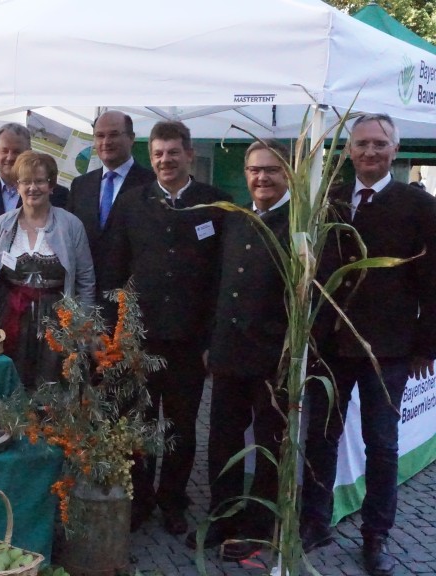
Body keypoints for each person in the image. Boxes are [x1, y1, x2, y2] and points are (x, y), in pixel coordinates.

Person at [301, 113, 436, 576]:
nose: (370, 152)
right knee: (321, 437)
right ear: (350, 150)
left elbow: (433, 282)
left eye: (379, 144)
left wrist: (426, 347)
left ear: (395, 151)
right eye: (362, 144)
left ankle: (376, 534)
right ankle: (314, 521)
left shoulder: (419, 206)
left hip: (390, 349)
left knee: (380, 443)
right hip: (331, 345)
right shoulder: (331, 200)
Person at [101, 120, 230, 534]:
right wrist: (114, 336)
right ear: (149, 157)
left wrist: (212, 339)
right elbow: (114, 272)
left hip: (190, 342)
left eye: (173, 152)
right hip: (140, 340)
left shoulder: (215, 204)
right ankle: (138, 499)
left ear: (189, 154)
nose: (165, 160)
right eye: (157, 154)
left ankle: (174, 500)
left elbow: (221, 280)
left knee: (180, 426)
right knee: (139, 423)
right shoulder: (133, 203)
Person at [186, 140, 291, 560]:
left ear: (287, 174)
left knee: (268, 446)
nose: (261, 177)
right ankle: (222, 516)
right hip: (229, 353)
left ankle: (258, 525)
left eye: (270, 170)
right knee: (223, 441)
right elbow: (217, 284)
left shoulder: (300, 224)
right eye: (254, 170)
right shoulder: (235, 218)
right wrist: (210, 341)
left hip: (274, 358)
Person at [0, 150, 95, 388]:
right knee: (13, 386)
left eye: (40, 181)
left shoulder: (71, 225)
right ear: (17, 186)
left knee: (54, 388)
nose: (33, 188)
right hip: (12, 318)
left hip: (58, 322)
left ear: (51, 185)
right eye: (26, 181)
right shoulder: (1, 226)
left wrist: (81, 328)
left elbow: (85, 280)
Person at [66, 111, 154, 294]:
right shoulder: (80, 186)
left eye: (114, 134)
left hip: (133, 300)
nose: (106, 142)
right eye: (100, 136)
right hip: (86, 297)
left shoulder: (151, 185)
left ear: (131, 138)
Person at [0, 123, 68, 230]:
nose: (9, 157)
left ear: (29, 153)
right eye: (4, 151)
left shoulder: (57, 195)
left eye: (17, 152)